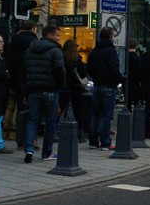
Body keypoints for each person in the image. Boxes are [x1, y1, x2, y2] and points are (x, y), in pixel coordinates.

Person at [23, 25, 66, 163]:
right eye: (57, 35)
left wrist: (26, 90)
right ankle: (47, 152)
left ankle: (29, 149)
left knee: (32, 120)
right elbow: (60, 70)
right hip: (50, 89)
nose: (59, 38)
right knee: (51, 122)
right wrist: (61, 85)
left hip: (33, 90)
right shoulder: (55, 50)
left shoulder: (30, 50)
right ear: (50, 35)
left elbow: (25, 70)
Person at [87, 27, 124, 150]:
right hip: (109, 85)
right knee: (106, 115)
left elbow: (89, 69)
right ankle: (105, 142)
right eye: (113, 35)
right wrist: (120, 79)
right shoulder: (111, 51)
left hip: (97, 85)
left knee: (95, 114)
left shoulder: (94, 51)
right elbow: (114, 69)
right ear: (110, 37)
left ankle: (93, 141)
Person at [5, 20, 38, 150]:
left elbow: (10, 63)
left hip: (17, 80)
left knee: (20, 110)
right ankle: (31, 139)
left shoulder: (13, 42)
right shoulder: (34, 42)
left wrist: (11, 83)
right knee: (33, 111)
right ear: (33, 28)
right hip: (31, 79)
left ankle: (20, 140)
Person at [59, 39, 88, 142]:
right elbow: (83, 74)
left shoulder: (61, 58)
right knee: (78, 111)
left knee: (61, 110)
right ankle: (80, 134)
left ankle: (59, 132)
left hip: (63, 87)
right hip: (76, 87)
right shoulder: (77, 59)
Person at [127, 39, 142, 111]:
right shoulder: (138, 58)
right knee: (137, 103)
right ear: (135, 46)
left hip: (126, 82)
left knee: (127, 103)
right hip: (135, 83)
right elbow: (140, 71)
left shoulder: (125, 57)